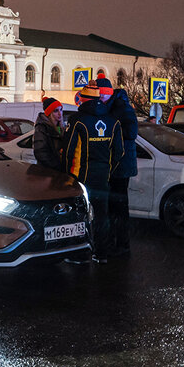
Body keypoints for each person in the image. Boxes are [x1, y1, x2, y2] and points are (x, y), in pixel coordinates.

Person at [64, 83, 124, 263]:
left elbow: (69, 150)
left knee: (79, 216)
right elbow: (119, 152)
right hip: (103, 176)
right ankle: (101, 254)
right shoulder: (113, 121)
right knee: (101, 216)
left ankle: (80, 254)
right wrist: (108, 170)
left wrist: (68, 175)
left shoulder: (78, 120)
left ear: (84, 99)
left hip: (80, 178)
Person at [105, 81, 139, 258]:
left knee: (118, 208)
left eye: (103, 94)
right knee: (115, 207)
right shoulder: (117, 106)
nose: (101, 98)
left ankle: (121, 245)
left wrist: (113, 132)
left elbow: (131, 133)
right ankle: (116, 243)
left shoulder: (122, 109)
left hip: (120, 165)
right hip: (118, 165)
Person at [33, 98, 66, 171]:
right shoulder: (42, 127)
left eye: (61, 109)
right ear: (49, 113)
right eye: (56, 111)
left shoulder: (61, 128)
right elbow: (40, 152)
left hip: (59, 170)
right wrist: (56, 165)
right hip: (48, 171)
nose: (60, 113)